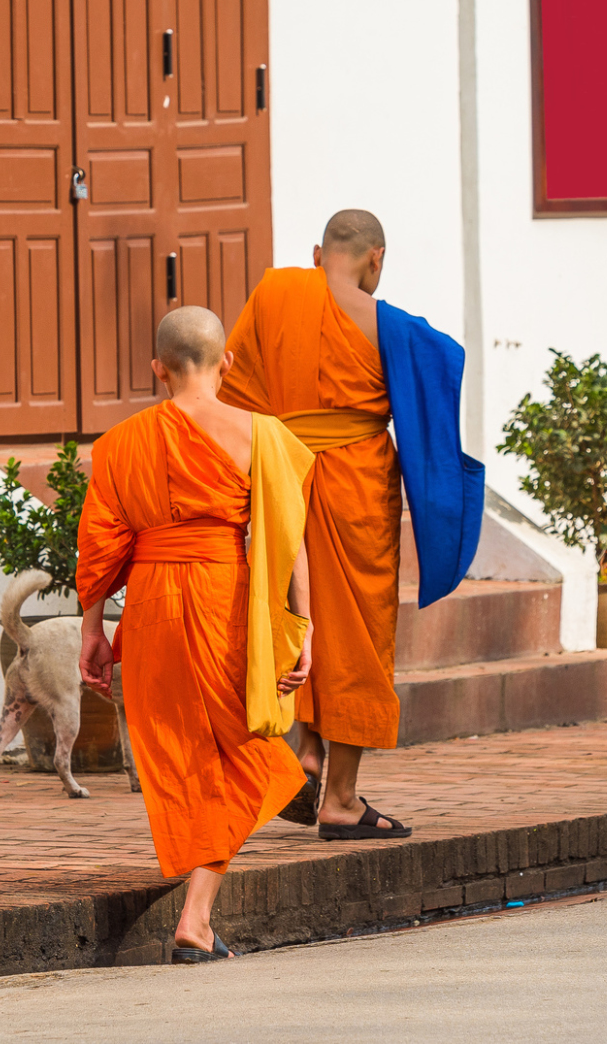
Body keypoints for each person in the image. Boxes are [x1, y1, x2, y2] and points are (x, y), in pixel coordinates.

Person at [77, 306, 315, 963]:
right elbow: (290, 540)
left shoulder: (120, 442)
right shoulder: (261, 434)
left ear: (158, 367)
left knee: (181, 751)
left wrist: (95, 628)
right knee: (248, 755)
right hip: (224, 596)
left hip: (150, 604)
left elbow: (101, 543)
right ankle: (196, 915)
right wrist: (304, 629)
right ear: (227, 363)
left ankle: (199, 916)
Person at [219, 209, 413, 839]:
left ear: (315, 254)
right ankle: (343, 798)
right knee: (356, 630)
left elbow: (232, 391)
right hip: (357, 486)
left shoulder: (276, 293)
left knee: (301, 618)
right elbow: (433, 400)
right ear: (376, 259)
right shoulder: (387, 324)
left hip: (285, 478)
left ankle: (305, 755)